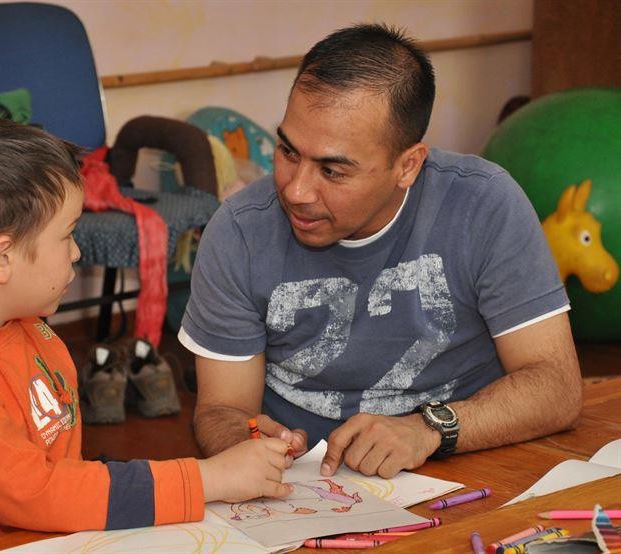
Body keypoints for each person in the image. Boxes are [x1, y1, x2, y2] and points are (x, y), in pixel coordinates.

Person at [0, 117, 292, 553]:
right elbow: (35, 491)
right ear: (1, 259)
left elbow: (63, 476)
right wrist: (207, 479)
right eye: (67, 235)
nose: (78, 251)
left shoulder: (24, 324)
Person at [179, 24, 583, 480]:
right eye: (288, 151)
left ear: (407, 165)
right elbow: (221, 410)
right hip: (304, 487)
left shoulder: (483, 206)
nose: (295, 190)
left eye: (332, 171)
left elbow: (555, 388)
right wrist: (246, 443)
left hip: (464, 462)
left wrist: (429, 430)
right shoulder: (239, 231)